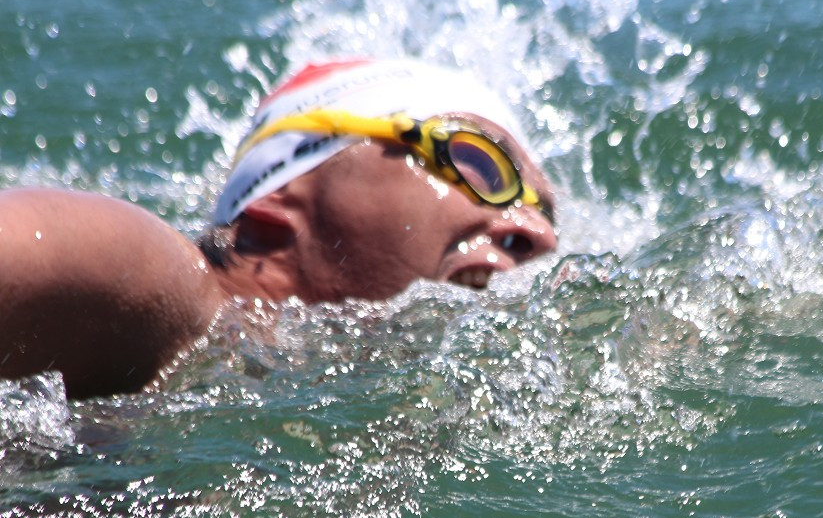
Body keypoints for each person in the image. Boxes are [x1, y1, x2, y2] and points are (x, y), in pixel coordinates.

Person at [0, 58, 558, 399]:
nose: (539, 233)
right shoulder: (158, 285)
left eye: (546, 212)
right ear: (277, 201)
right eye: (481, 163)